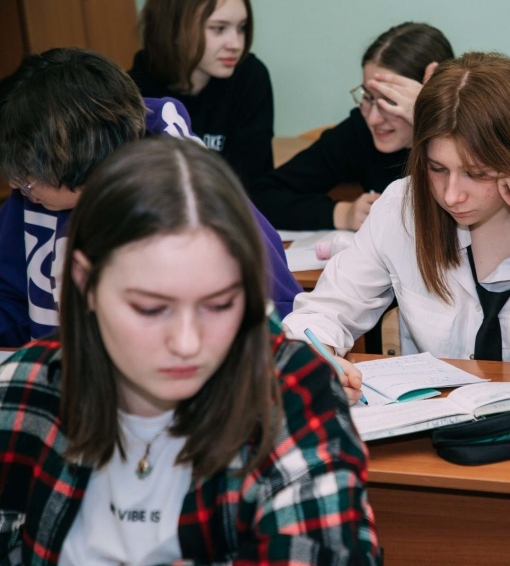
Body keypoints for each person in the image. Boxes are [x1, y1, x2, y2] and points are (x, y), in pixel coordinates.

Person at [0, 137, 380, 564]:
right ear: (85, 283)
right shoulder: (24, 389)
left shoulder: (291, 390)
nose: (186, 343)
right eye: (150, 309)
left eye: (219, 305)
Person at [283, 52, 510, 404]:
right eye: (437, 168)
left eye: (476, 173)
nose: (451, 195)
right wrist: (320, 359)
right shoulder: (401, 206)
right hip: (432, 427)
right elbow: (320, 314)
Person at [0, 48, 300, 348]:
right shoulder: (37, 194)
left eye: (26, 177)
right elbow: (12, 303)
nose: (17, 184)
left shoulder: (193, 197)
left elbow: (274, 313)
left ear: (83, 167)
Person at [249, 22, 454, 231]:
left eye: (390, 101)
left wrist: (431, 121)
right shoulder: (360, 131)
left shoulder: (461, 138)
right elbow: (262, 196)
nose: (373, 118)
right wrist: (342, 214)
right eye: (368, 97)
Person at [129, 0, 274, 189]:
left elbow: (252, 182)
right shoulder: (133, 91)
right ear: (173, 29)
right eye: (219, 29)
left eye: (241, 28)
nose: (236, 43)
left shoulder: (251, 78)